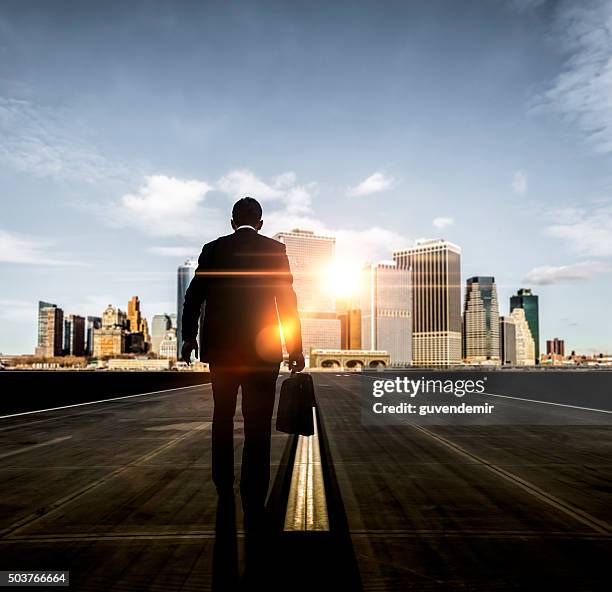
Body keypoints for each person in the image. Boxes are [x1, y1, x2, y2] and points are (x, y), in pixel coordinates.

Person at [181, 197, 304, 526]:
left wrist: (189, 337)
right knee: (258, 424)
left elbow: (193, 296)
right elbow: (287, 303)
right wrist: (295, 348)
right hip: (262, 354)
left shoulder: (213, 249)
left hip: (222, 352)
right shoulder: (275, 252)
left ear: (232, 222)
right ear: (260, 223)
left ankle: (223, 483)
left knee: (221, 416)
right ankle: (254, 491)